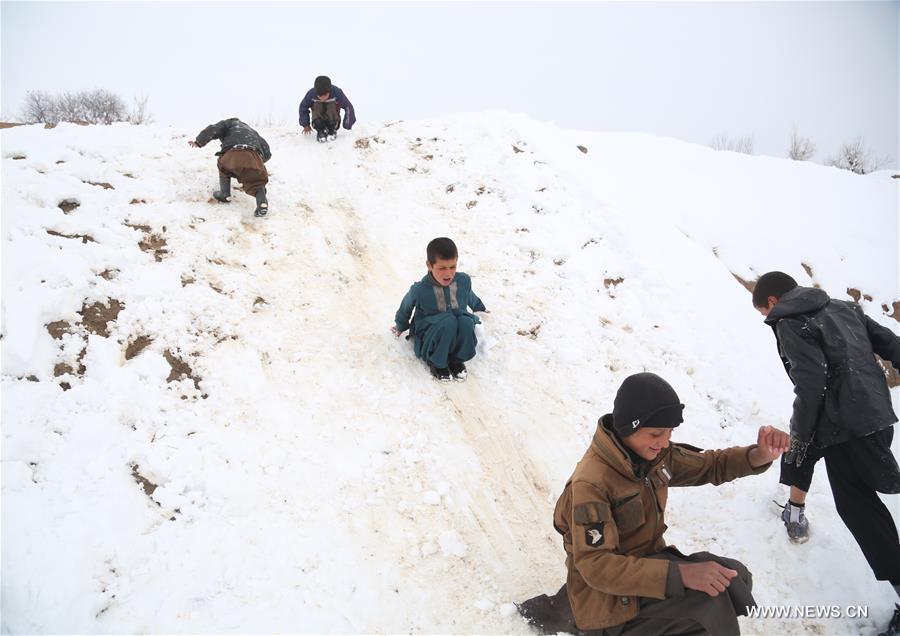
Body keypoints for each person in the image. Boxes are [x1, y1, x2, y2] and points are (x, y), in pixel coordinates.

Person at [519, 372, 789, 635]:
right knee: (710, 605)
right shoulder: (591, 484)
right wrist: (681, 575)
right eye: (656, 433)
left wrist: (760, 454)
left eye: (669, 432)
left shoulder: (652, 454)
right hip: (608, 601)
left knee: (735, 579)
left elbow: (710, 466)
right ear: (629, 427)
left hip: (644, 572)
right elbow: (597, 566)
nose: (665, 442)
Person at [752, 271, 900, 633]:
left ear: (772, 301)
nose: (768, 319)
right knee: (852, 493)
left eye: (764, 312)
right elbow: (892, 344)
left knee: (859, 507)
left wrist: (800, 434)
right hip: (875, 417)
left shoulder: (790, 321)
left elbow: (811, 384)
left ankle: (795, 512)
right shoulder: (844, 307)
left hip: (847, 426)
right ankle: (795, 509)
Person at [391, 237, 488, 382]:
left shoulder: (463, 281)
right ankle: (437, 363)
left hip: (454, 331)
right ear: (429, 265)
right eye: (442, 268)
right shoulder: (420, 290)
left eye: (452, 267)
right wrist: (400, 326)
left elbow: (468, 295)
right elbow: (405, 307)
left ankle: (456, 359)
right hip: (430, 334)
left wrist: (480, 308)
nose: (448, 273)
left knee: (466, 322)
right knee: (448, 322)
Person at [189, 117, 272, 217]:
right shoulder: (252, 131)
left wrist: (198, 142)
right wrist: (257, 163)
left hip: (233, 152)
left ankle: (224, 194)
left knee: (223, 166)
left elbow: (213, 129)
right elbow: (267, 151)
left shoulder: (228, 124)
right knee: (257, 183)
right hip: (253, 155)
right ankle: (262, 203)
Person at [298, 75, 356, 142]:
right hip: (318, 119)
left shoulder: (337, 93)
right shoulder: (311, 94)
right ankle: (321, 130)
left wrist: (348, 124)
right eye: (319, 96)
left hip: (333, 119)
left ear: (329, 90)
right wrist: (305, 124)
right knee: (317, 105)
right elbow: (303, 107)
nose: (322, 98)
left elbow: (348, 106)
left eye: (325, 95)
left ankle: (332, 130)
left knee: (331, 105)